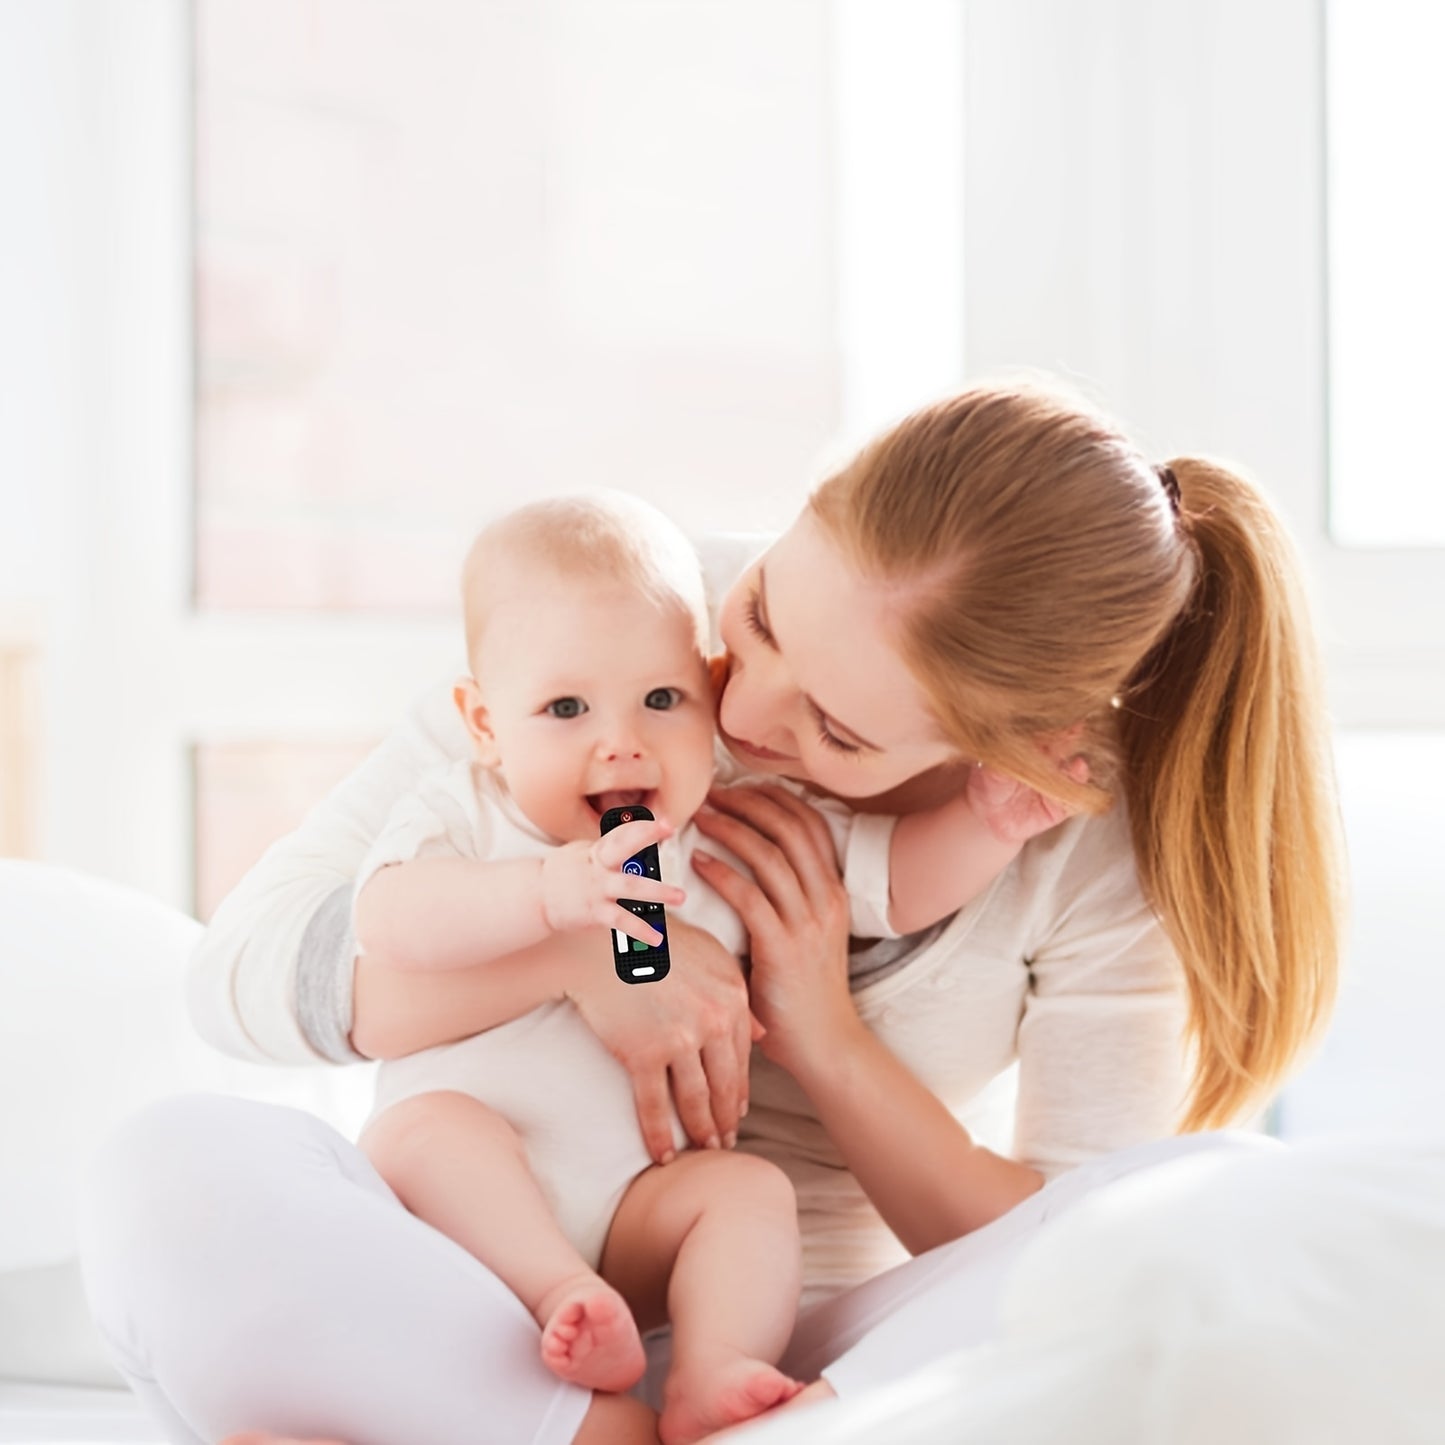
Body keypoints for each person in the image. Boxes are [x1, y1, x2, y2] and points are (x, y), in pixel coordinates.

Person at [77, 380, 1346, 1445]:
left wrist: (821, 1034)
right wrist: (589, 956)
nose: (737, 716)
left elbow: (1075, 1245)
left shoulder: (1081, 846)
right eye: (762, 620)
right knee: (171, 1166)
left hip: (786, 1340)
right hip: (470, 1276)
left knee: (1192, 1208)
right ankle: (567, 1425)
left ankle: (517, 1419)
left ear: (1015, 753)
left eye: (835, 730)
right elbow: (239, 976)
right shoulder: (628, 632)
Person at [349, 491, 1034, 1443]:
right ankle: (558, 1297)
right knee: (424, 1129)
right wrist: (548, 898)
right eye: (565, 707)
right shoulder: (467, 811)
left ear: (706, 695)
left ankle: (711, 1376)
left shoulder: (723, 823)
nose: (620, 739)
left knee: (747, 1192)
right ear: (485, 723)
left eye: (660, 699)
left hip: (637, 1211)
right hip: (463, 1214)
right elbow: (386, 922)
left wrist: (987, 827)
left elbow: (891, 885)